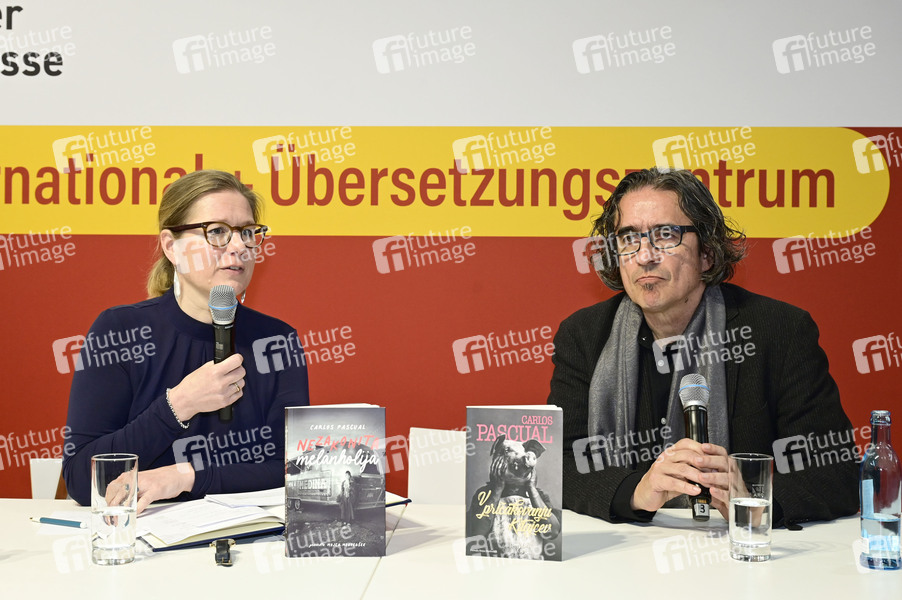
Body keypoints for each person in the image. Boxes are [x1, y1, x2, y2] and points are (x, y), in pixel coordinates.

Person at [549, 167, 858, 527]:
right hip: (622, 553)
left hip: (736, 552)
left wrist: (753, 497)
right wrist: (636, 491)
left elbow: (835, 472)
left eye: (666, 235)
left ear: (707, 253)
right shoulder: (584, 335)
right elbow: (557, 464)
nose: (645, 256)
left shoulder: (779, 331)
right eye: (629, 238)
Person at [63, 169, 309, 513]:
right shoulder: (119, 331)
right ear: (171, 246)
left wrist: (184, 477)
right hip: (146, 537)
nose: (239, 246)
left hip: (250, 539)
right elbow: (80, 478)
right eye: (217, 231)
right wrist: (178, 405)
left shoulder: (276, 340)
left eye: (247, 232)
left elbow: (291, 472)